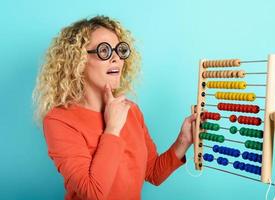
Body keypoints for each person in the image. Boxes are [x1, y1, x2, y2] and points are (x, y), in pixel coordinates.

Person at [32, 15, 197, 200]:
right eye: (104, 50)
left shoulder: (131, 110)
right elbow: (93, 193)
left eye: (120, 50)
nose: (117, 58)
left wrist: (184, 140)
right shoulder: (59, 120)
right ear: (78, 61)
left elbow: (153, 173)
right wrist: (112, 129)